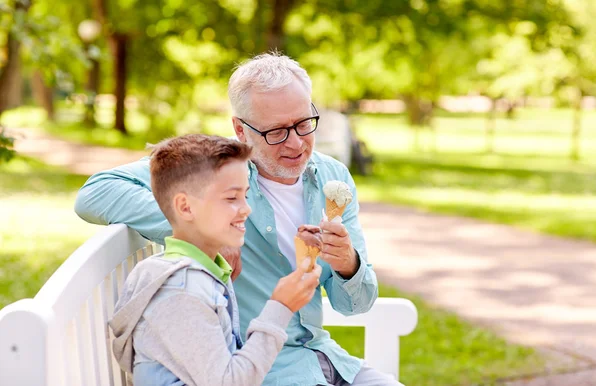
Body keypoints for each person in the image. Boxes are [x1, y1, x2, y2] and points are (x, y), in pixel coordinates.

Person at [76, 52, 402, 385]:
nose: (297, 143)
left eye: (304, 124)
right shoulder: (214, 167)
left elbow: (356, 305)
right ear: (240, 129)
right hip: (260, 368)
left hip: (324, 357)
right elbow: (96, 192)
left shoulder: (333, 176)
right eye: (276, 131)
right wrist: (208, 232)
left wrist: (348, 263)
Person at [109, 134, 322, 386]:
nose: (246, 208)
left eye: (245, 195)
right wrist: (281, 306)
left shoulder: (203, 275)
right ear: (186, 207)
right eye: (232, 198)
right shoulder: (181, 291)